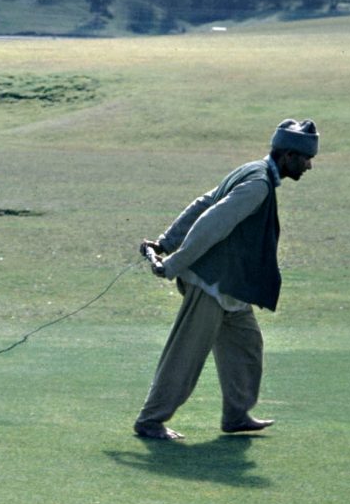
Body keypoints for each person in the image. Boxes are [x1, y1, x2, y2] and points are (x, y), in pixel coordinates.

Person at [134, 119, 318, 440]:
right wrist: (173, 261)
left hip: (231, 286)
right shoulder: (257, 185)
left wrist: (165, 243)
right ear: (288, 155)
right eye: (305, 158)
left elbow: (204, 203)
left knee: (246, 345)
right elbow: (211, 221)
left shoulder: (252, 170)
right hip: (211, 283)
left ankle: (236, 415)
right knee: (186, 354)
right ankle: (150, 421)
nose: (309, 165)